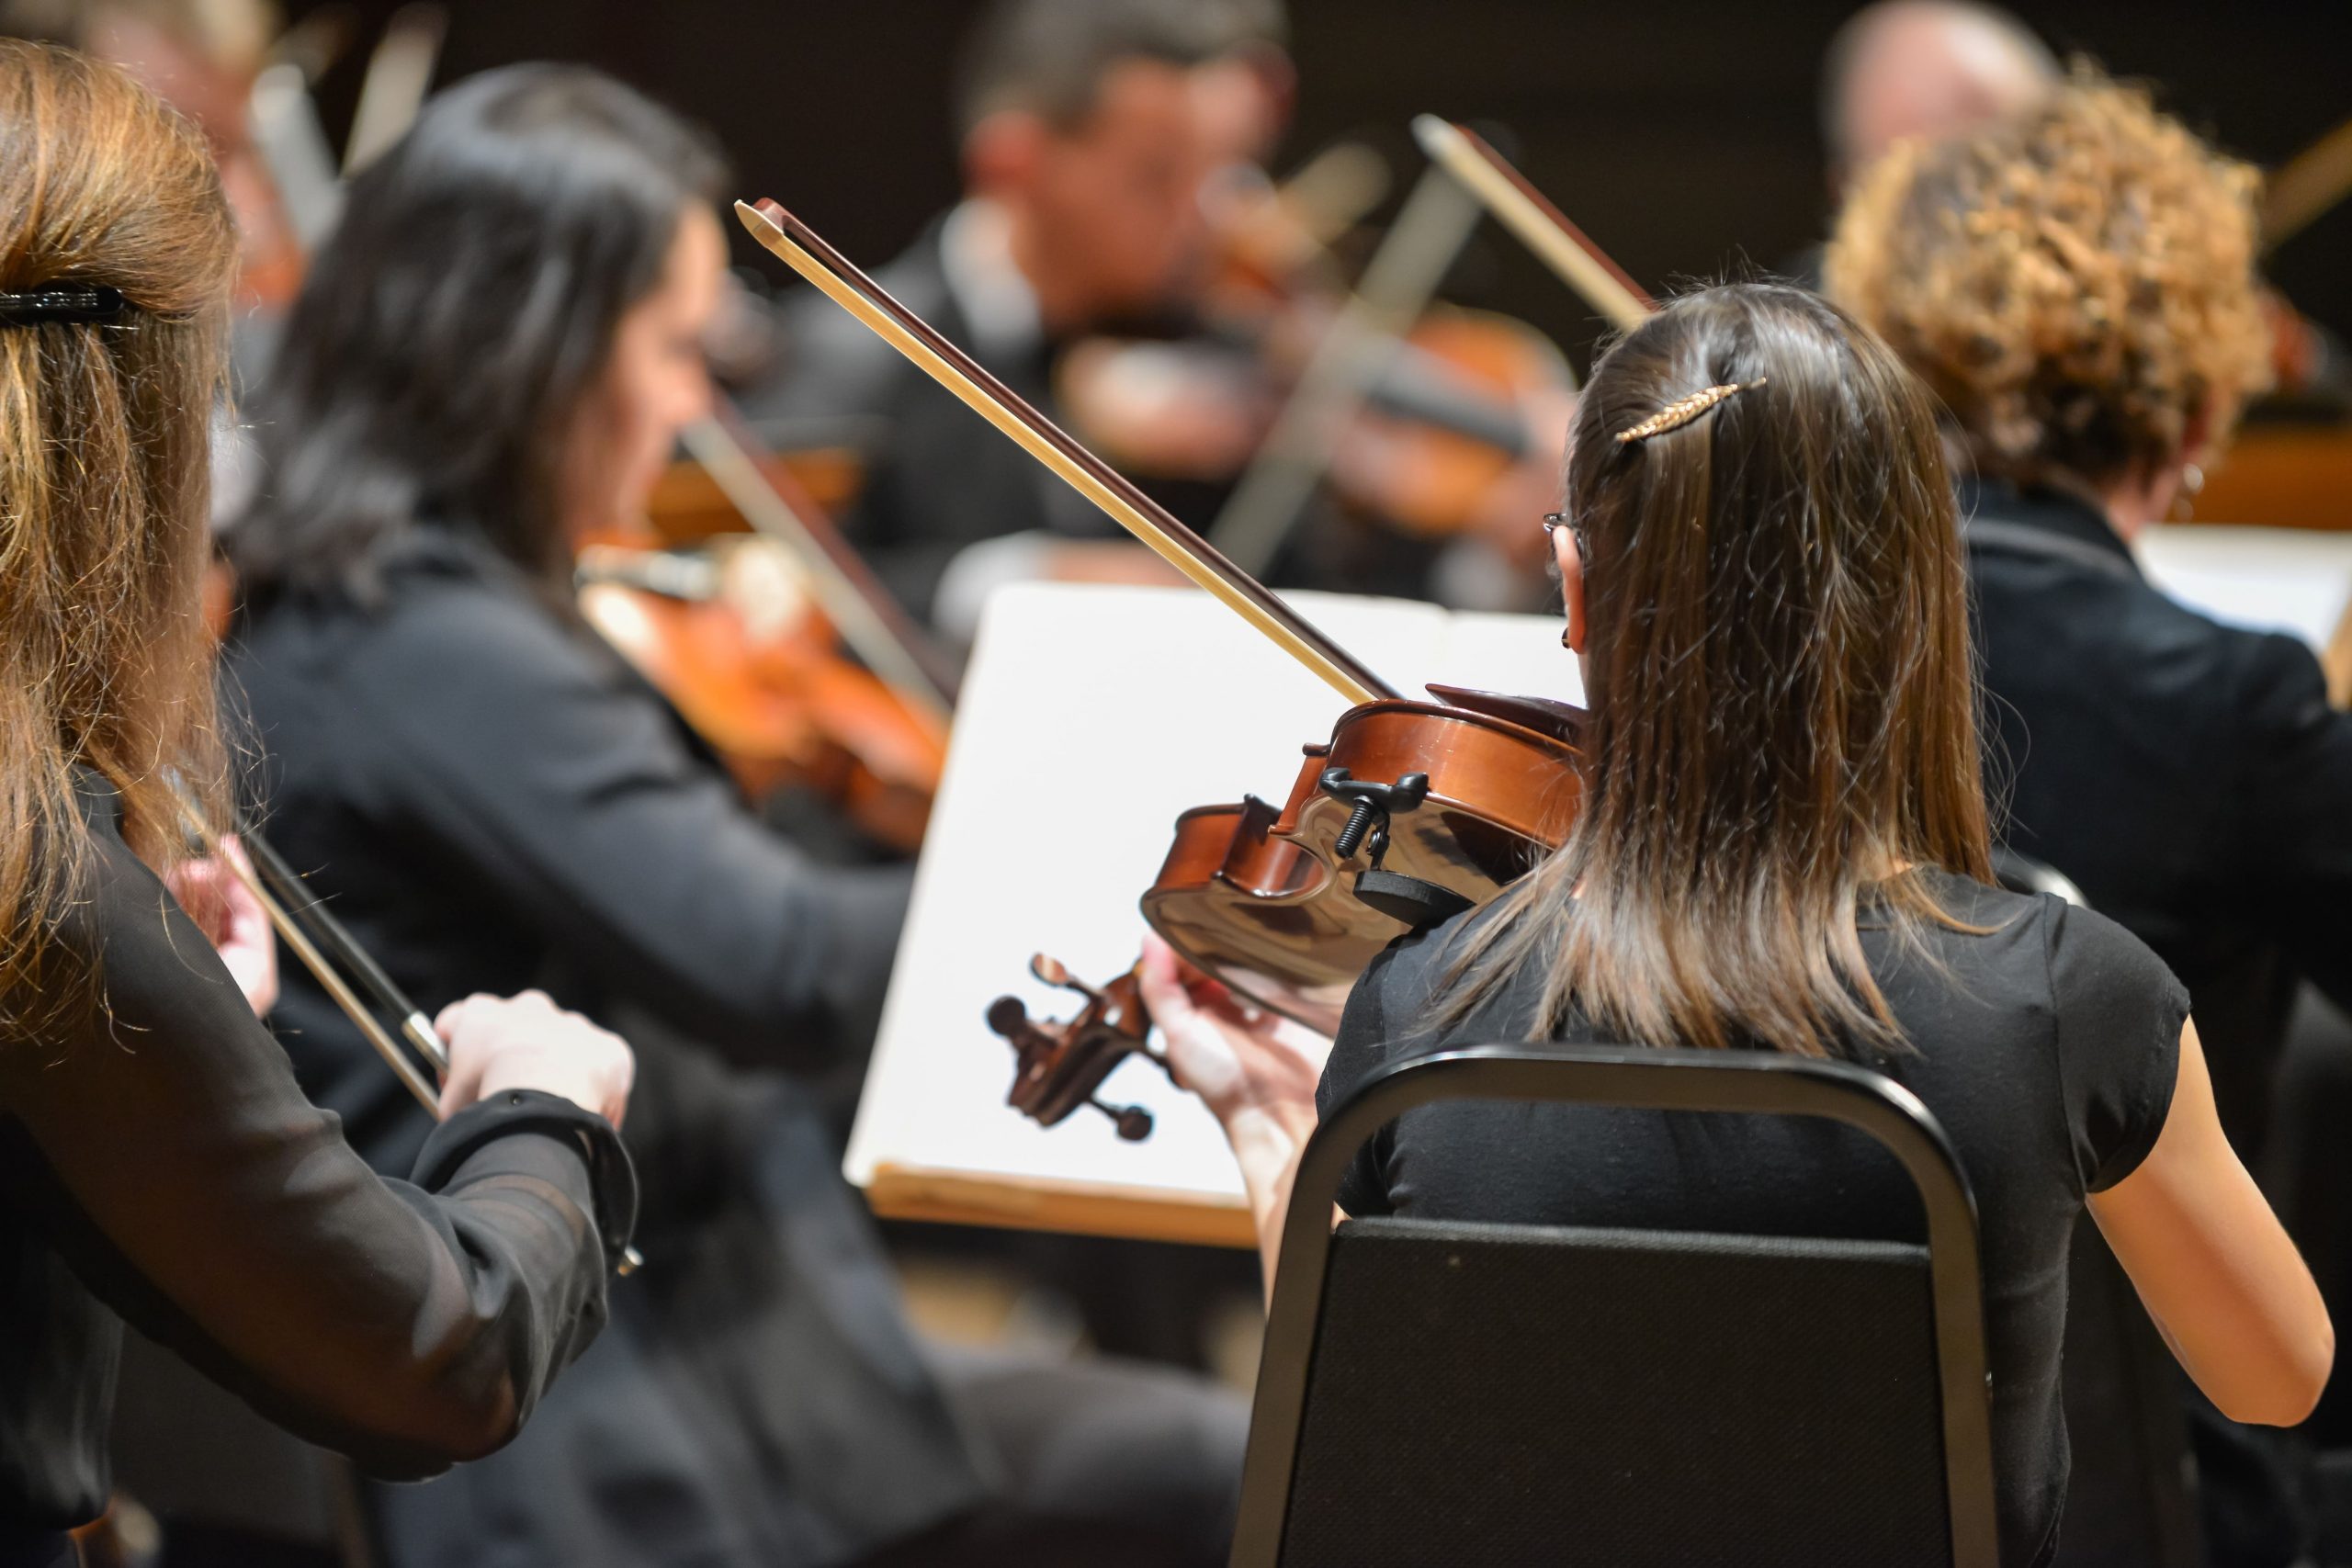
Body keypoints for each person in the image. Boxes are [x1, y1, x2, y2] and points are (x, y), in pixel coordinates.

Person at [224, 62, 1245, 1568]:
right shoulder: (420, 641)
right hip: (624, 1426)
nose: (697, 404)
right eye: (673, 346)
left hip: (737, 1357)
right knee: (1239, 1472)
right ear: (537, 354)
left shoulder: (393, 606)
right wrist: (1119, 861)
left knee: (1216, 1452)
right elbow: (781, 965)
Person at [1138, 282, 2333, 1568]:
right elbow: (2275, 1376)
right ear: (1926, 600)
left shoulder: (1420, 1017)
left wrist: (1271, 1134)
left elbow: (1352, 1451)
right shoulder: (2066, 997)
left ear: (1577, 589)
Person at [0, 39, 639, 1568]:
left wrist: (178, 1043)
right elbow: (438, 1354)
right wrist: (537, 1111)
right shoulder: (41, 891)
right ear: (152, 432)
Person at [741, 0, 1224, 640]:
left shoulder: (1151, 340)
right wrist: (1013, 579)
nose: (1201, 218)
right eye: (1154, 177)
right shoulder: (850, 354)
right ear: (1012, 163)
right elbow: (760, 582)